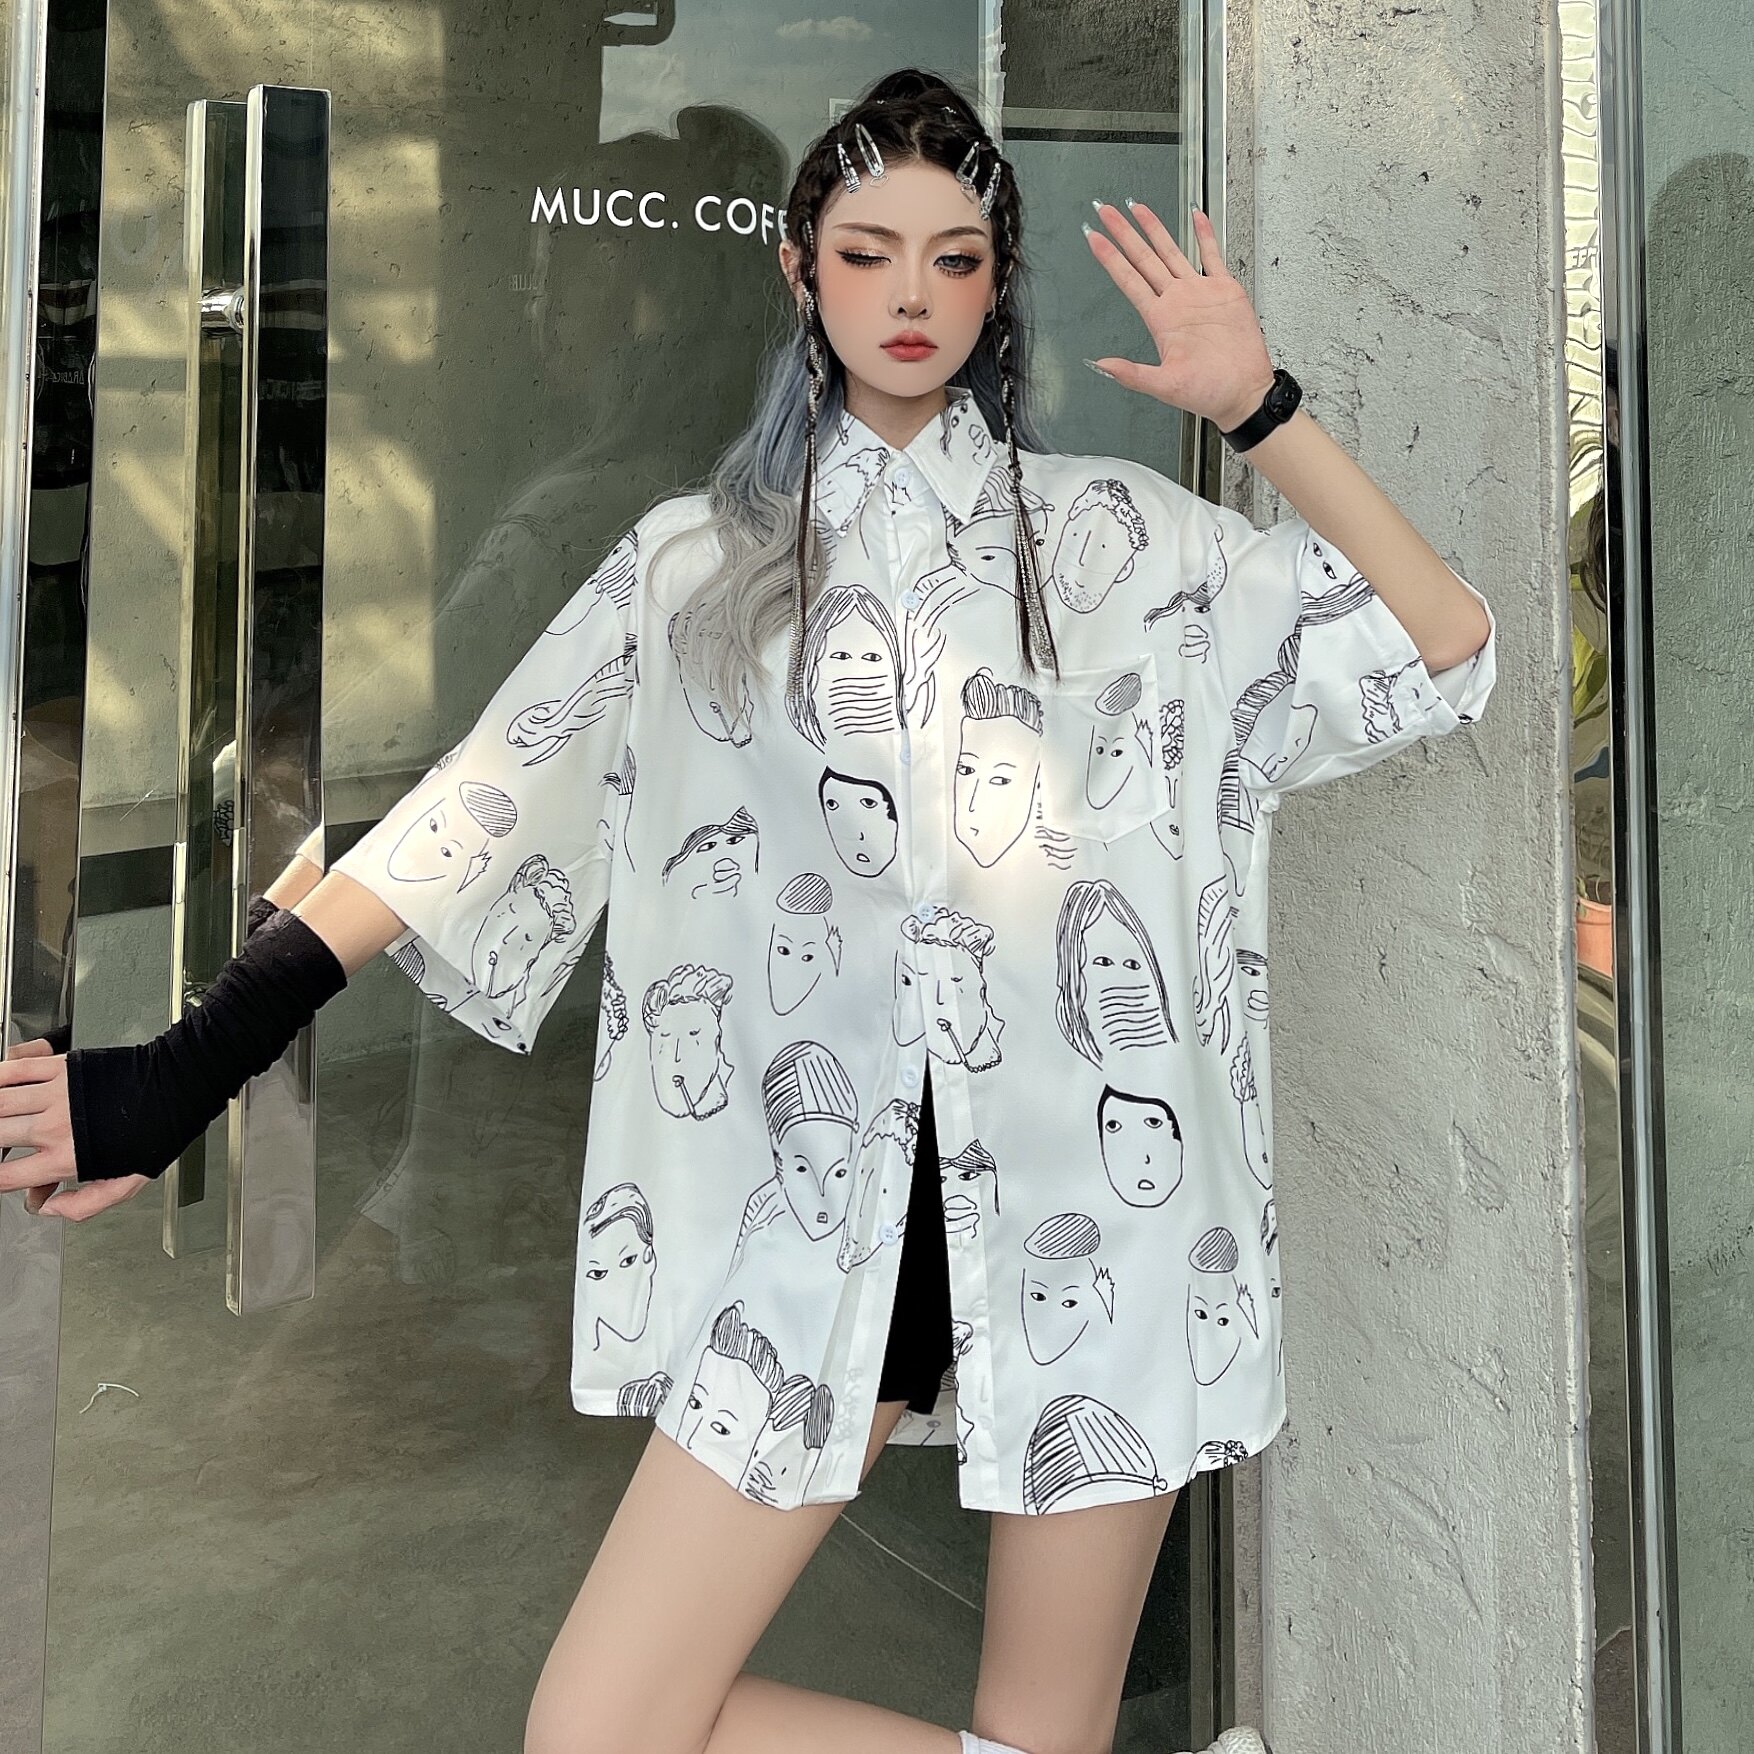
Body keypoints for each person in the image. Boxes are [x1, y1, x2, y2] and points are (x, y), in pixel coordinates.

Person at [1, 65, 1496, 1754]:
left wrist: (1261, 408)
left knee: (1043, 1730)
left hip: (1108, 1212)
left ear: (995, 285)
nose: (911, 296)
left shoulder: (1123, 545)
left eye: (952, 259)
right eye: (867, 254)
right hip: (816, 1227)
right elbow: (466, 818)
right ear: (799, 272)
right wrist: (186, 1067)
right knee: (603, 1730)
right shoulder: (693, 572)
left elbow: (1443, 648)